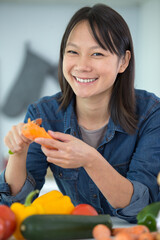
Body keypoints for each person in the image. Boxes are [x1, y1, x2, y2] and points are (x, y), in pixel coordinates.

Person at [0, 4, 160, 223]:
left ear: (123, 61)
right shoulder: (42, 113)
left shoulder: (151, 113)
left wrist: (90, 159)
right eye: (73, 52)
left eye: (97, 53)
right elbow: (14, 207)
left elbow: (143, 209)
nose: (82, 66)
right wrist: (17, 153)